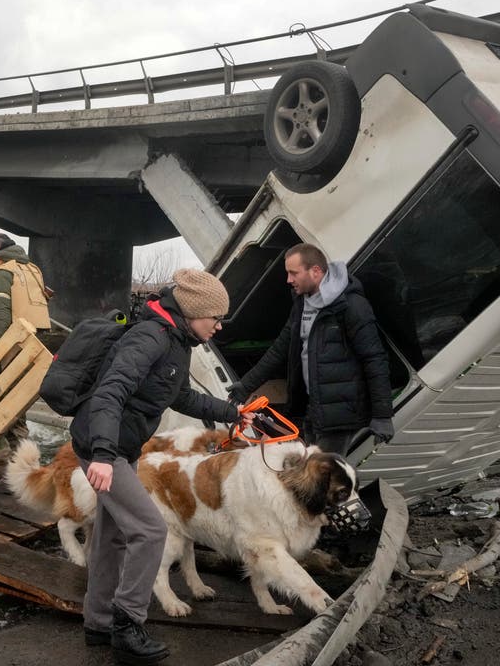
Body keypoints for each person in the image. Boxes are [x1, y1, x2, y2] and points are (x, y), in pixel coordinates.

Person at [70, 269, 253, 662]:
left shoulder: (177, 341)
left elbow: (181, 396)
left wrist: (232, 412)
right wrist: (102, 455)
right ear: (193, 312)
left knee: (111, 536)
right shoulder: (149, 338)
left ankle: (98, 623)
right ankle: (128, 625)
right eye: (215, 318)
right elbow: (109, 392)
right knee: (151, 529)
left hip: (123, 446)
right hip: (104, 446)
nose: (219, 327)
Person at [229, 243, 394, 454]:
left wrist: (382, 415)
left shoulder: (351, 306)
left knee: (320, 478)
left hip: (340, 416)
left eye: (293, 273)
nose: (289, 280)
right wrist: (244, 387)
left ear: (315, 271)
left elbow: (374, 358)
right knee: (311, 472)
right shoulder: (302, 303)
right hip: (312, 410)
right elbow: (279, 349)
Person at [0, 233, 51, 484]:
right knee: (16, 410)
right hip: (31, 349)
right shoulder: (30, 271)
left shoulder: (3, 273)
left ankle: (2, 463)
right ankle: (22, 469)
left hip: (8, 350)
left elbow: (1, 316)